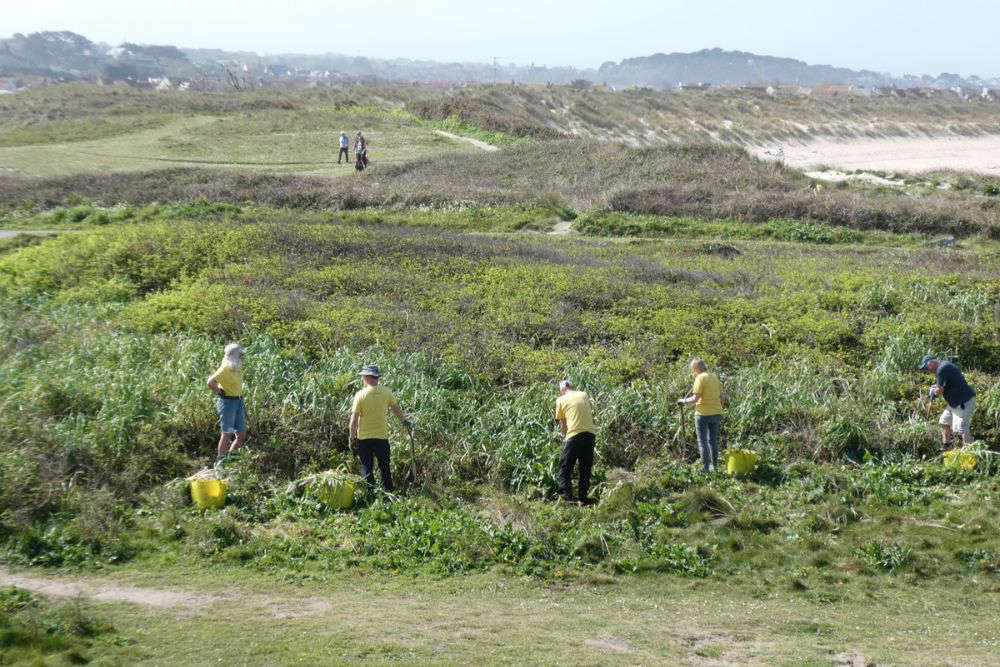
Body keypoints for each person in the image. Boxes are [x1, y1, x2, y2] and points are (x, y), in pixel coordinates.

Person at [349, 364, 411, 491]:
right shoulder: (386, 392)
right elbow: (396, 409)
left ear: (367, 377)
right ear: (376, 377)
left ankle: (370, 494)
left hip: (364, 438)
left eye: (363, 376)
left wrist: (351, 437)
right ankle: (388, 493)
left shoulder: (360, 395)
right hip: (382, 437)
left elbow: (354, 419)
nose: (362, 379)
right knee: (384, 467)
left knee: (366, 467)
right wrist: (405, 422)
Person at [554, 380, 597, 506]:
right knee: (585, 468)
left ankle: (567, 498)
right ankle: (582, 499)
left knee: (565, 466)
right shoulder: (583, 394)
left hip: (574, 434)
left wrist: (566, 437)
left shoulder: (560, 400)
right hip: (590, 435)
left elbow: (563, 423)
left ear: (562, 390)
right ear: (571, 387)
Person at [678, 358, 724, 472]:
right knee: (713, 441)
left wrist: (683, 401)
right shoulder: (714, 377)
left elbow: (695, 399)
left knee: (702, 442)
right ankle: (715, 467)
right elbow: (722, 396)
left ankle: (706, 469)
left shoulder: (700, 378)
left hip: (703, 414)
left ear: (696, 368)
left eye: (692, 369)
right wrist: (718, 407)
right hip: (716, 413)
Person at [920, 355, 976, 446]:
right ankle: (947, 447)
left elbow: (939, 391)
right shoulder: (943, 366)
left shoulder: (942, 368)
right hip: (954, 403)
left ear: (932, 362)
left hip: (963, 401)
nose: (927, 370)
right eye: (925, 369)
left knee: (962, 428)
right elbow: (944, 384)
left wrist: (934, 392)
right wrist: (936, 387)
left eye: (927, 367)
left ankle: (970, 451)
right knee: (944, 422)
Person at [206, 343, 248, 464]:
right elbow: (210, 382)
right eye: (240, 354)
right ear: (235, 355)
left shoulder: (237, 367)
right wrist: (220, 392)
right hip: (228, 404)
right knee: (227, 434)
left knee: (241, 435)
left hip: (238, 402)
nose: (242, 356)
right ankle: (221, 463)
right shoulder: (225, 368)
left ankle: (229, 461)